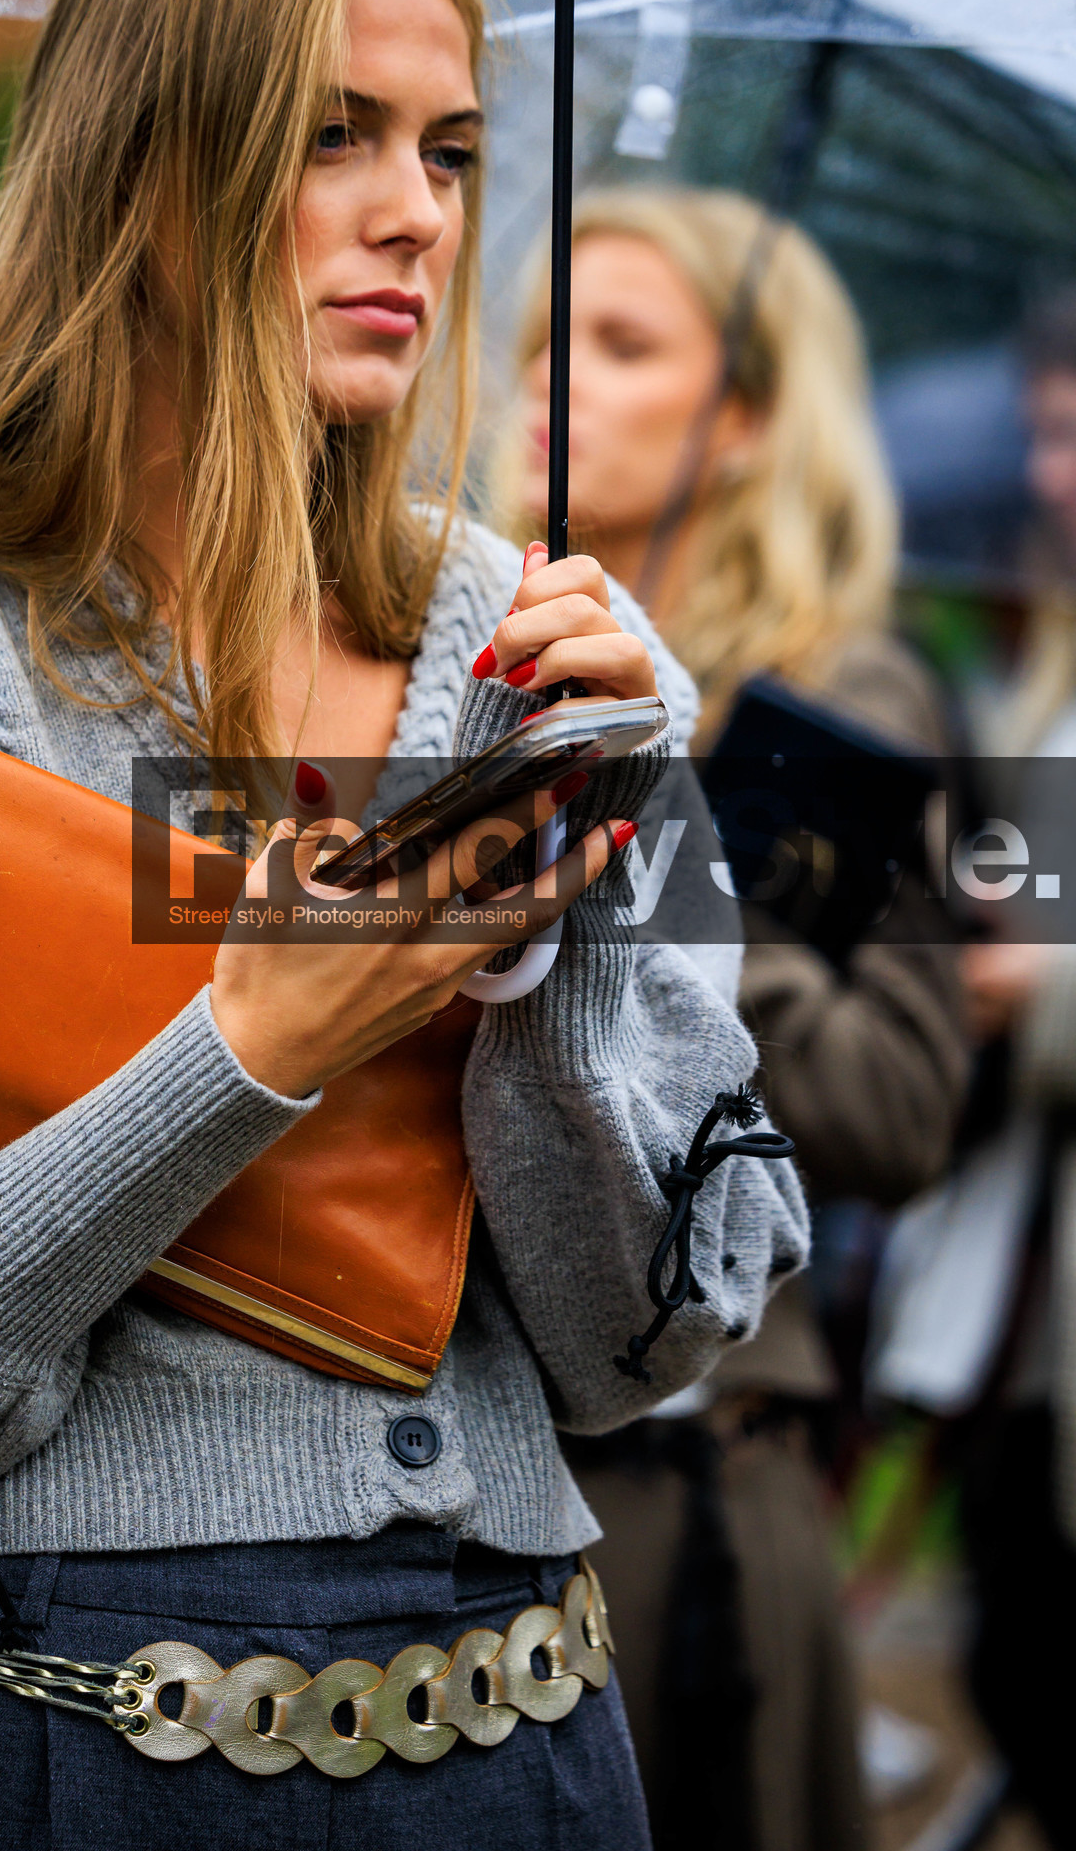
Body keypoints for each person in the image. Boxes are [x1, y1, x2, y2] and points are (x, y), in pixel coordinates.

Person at [0, 0, 807, 1849]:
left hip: (524, 1748)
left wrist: (564, 929)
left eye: (447, 150)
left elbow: (644, 1342)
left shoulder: (531, 650)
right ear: (139, 171)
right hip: (47, 1751)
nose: (417, 211)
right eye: (329, 133)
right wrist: (239, 1050)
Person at [496, 186, 968, 1851]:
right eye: (543, 342)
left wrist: (663, 862)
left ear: (752, 421)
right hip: (481, 1480)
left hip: (704, 1505)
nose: (550, 383)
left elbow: (902, 1109)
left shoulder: (850, 703)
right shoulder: (476, 667)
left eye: (621, 347)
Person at [948, 285, 1076, 1851]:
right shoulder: (1037, 664)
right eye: (1052, 429)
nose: (1063, 471)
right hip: (1011, 1291)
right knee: (1021, 1645)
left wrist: (1036, 990)